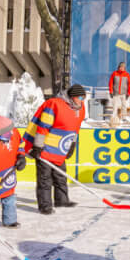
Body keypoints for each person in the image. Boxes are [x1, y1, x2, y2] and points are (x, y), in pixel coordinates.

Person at [21, 84, 86, 214]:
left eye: (83, 97)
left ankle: (62, 200)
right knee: (45, 179)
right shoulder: (54, 105)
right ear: (72, 97)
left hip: (59, 150)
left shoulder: (80, 108)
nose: (82, 99)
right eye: (80, 97)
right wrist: (38, 146)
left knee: (61, 176)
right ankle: (45, 206)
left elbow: (75, 128)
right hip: (45, 149)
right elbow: (43, 126)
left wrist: (71, 145)